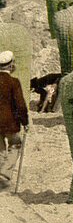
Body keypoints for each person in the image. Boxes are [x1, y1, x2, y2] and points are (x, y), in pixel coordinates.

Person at [0, 51, 28, 187]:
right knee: (15, 145)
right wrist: (25, 122)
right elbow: (20, 104)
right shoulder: (13, 82)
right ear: (11, 65)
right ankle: (5, 172)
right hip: (10, 123)